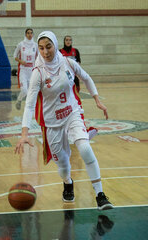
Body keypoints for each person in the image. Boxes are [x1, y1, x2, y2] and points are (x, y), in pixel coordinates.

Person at [15, 31, 113, 211]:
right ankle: (68, 183)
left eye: (49, 47)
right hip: (52, 123)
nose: (45, 52)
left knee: (85, 148)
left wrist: (97, 99)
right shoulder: (38, 73)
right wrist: (24, 134)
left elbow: (86, 77)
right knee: (63, 164)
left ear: (55, 45)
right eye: (41, 48)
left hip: (72, 113)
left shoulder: (68, 62)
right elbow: (29, 105)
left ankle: (100, 195)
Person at [60, 36, 97, 140]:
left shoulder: (75, 51)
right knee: (65, 107)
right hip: (62, 82)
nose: (68, 41)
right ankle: (69, 131)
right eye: (66, 40)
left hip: (74, 81)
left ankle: (80, 131)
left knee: (76, 105)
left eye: (70, 40)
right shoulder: (60, 52)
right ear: (64, 41)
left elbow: (79, 65)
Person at [13, 28, 38, 110]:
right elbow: (15, 56)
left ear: (33, 34)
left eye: (31, 33)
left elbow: (39, 57)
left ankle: (30, 109)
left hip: (32, 70)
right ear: (25, 34)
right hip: (23, 70)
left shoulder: (35, 45)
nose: (30, 34)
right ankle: (19, 100)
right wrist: (20, 61)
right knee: (24, 90)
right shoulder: (21, 44)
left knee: (32, 91)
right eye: (28, 33)